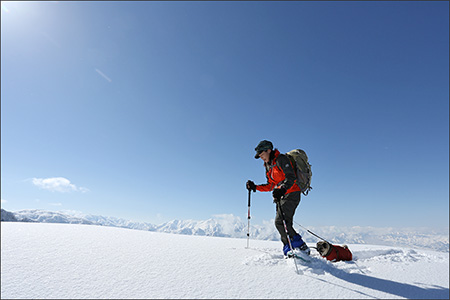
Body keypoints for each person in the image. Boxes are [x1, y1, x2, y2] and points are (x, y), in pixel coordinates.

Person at [246, 140, 310, 257]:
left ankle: (296, 246)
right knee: (285, 222)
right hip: (281, 196)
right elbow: (271, 185)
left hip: (292, 192)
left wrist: (282, 189)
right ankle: (297, 247)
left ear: (269, 150)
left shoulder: (281, 159)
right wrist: (255, 187)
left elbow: (291, 177)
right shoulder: (268, 166)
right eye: (259, 156)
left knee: (280, 222)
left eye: (262, 154)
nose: (261, 157)